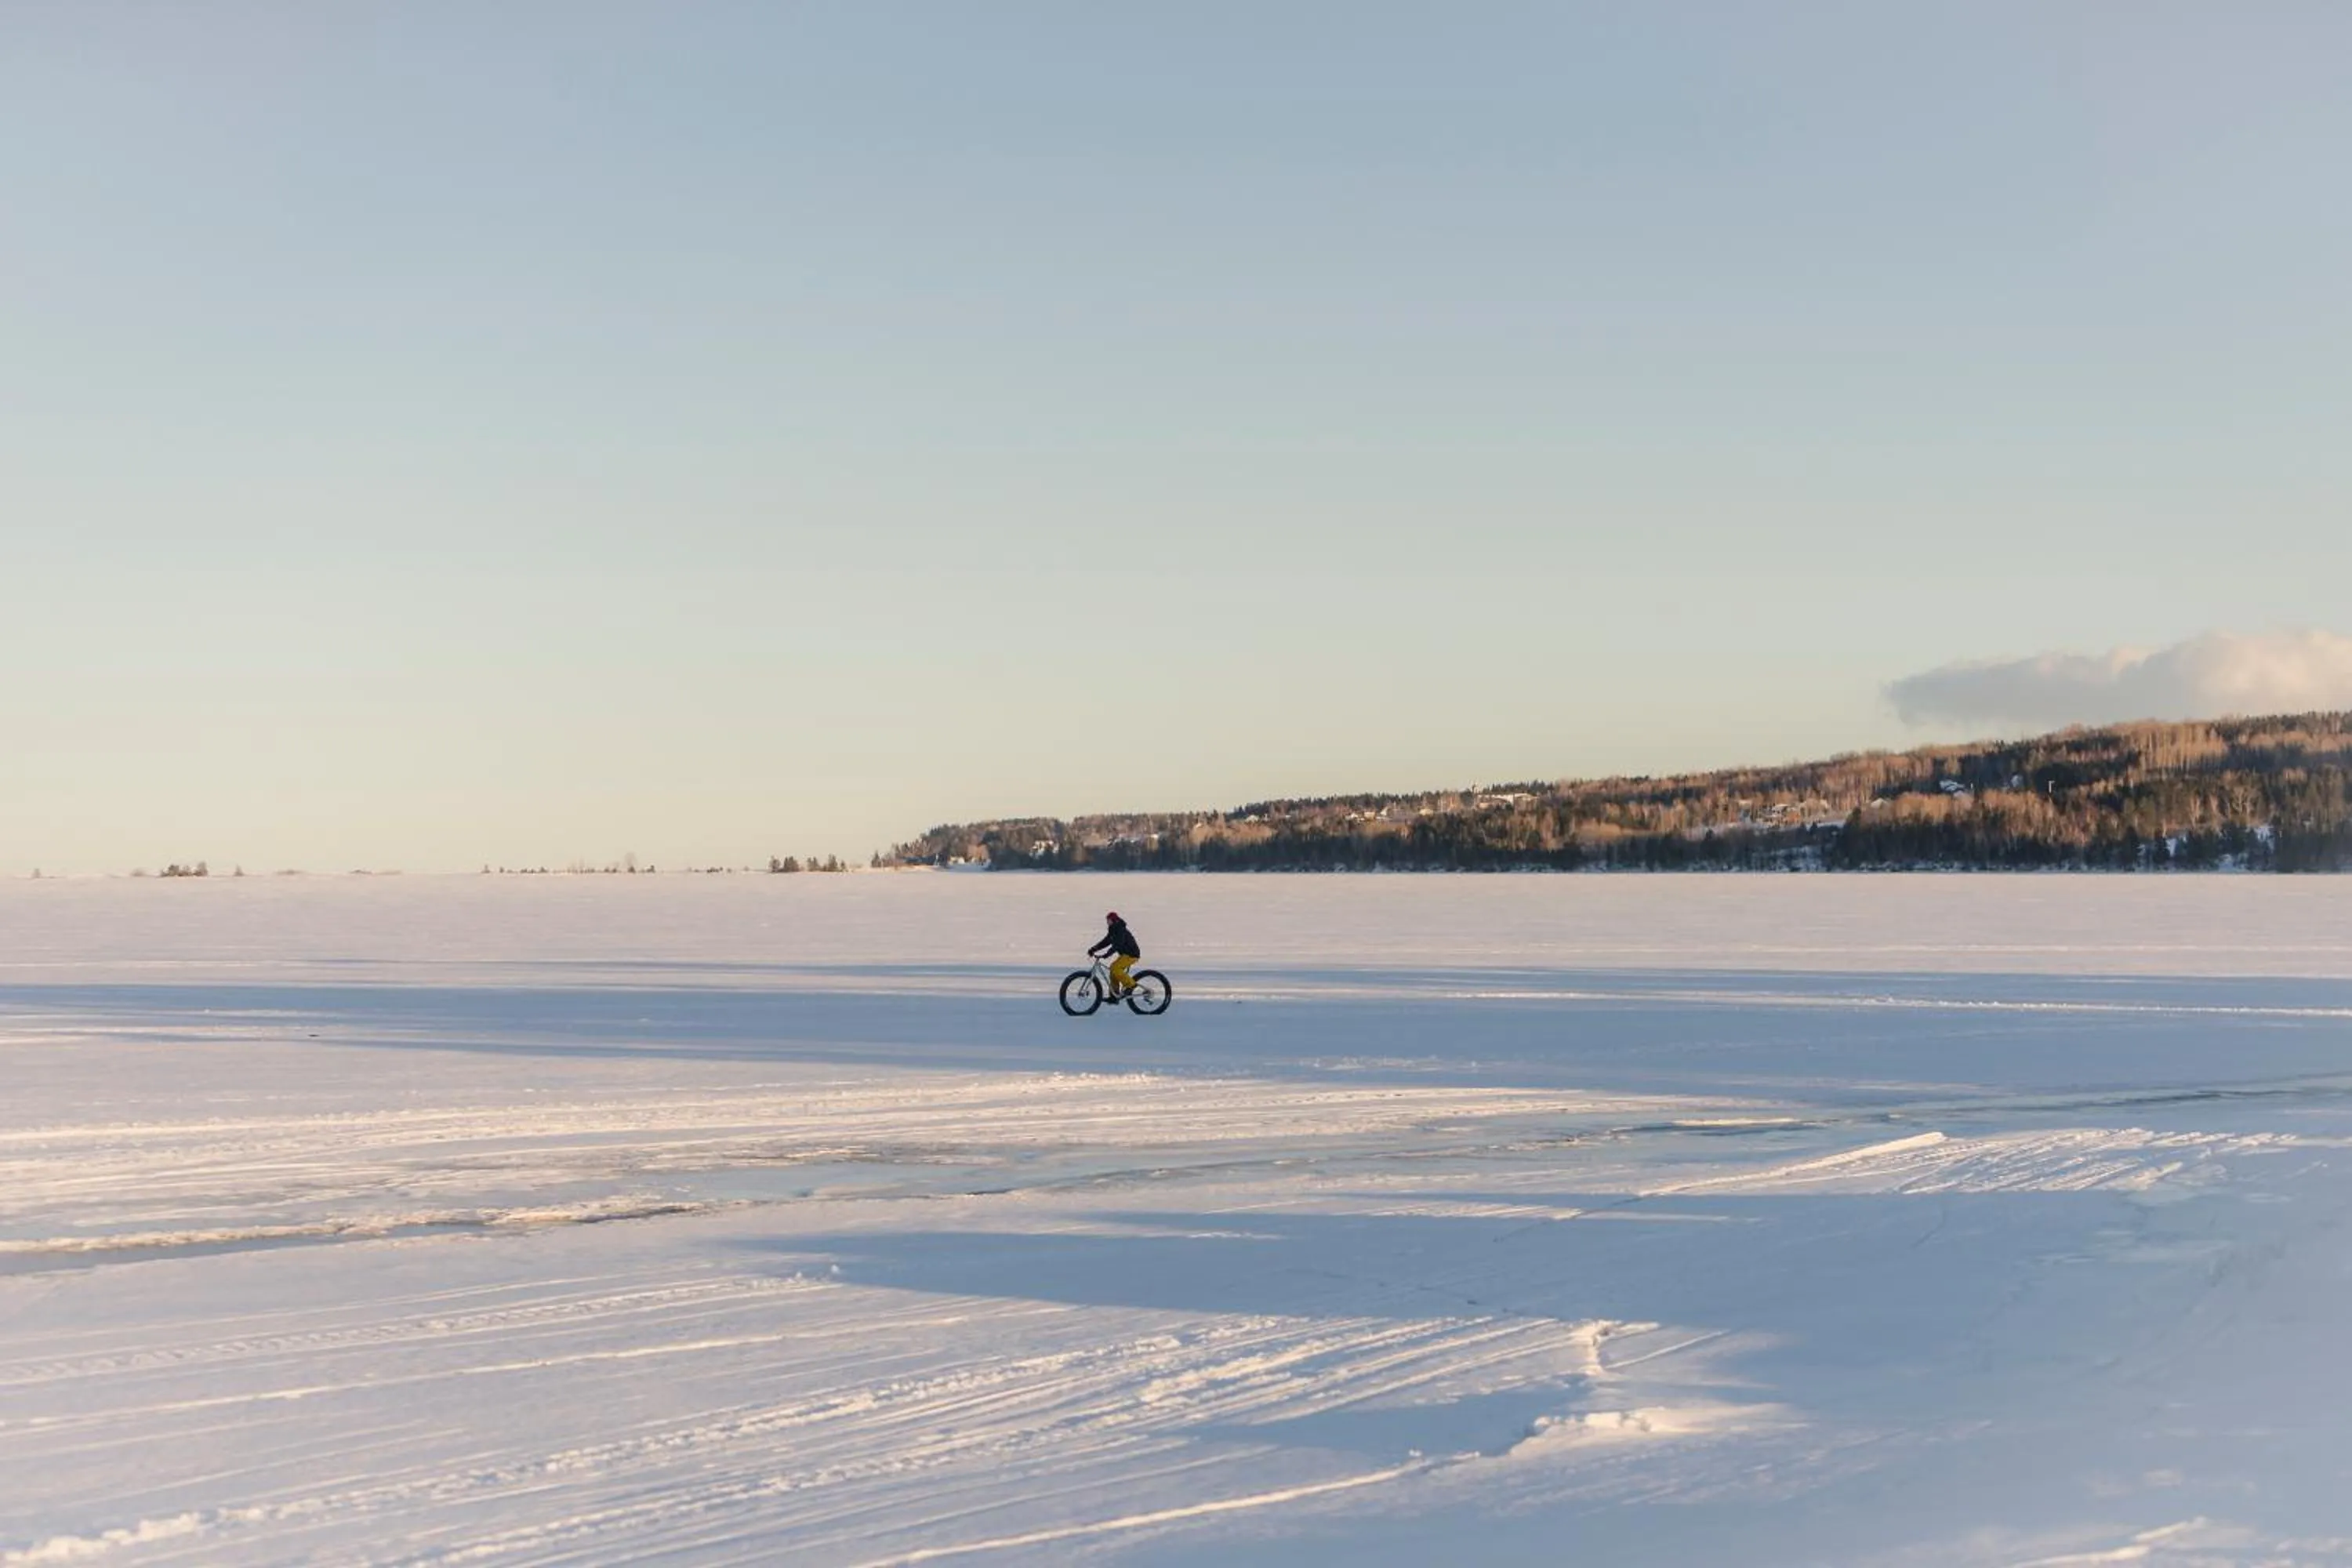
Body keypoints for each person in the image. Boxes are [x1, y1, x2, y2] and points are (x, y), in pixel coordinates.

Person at [1088, 911, 1141, 997]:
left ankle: (1131, 985)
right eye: (1107, 921)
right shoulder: (1113, 930)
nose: (1107, 922)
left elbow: (1118, 944)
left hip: (1132, 955)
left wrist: (1107, 954)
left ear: (1114, 920)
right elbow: (1106, 942)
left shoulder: (1120, 930)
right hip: (1125, 955)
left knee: (1115, 968)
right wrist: (1094, 949)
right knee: (1113, 971)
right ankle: (1114, 996)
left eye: (1109, 921)